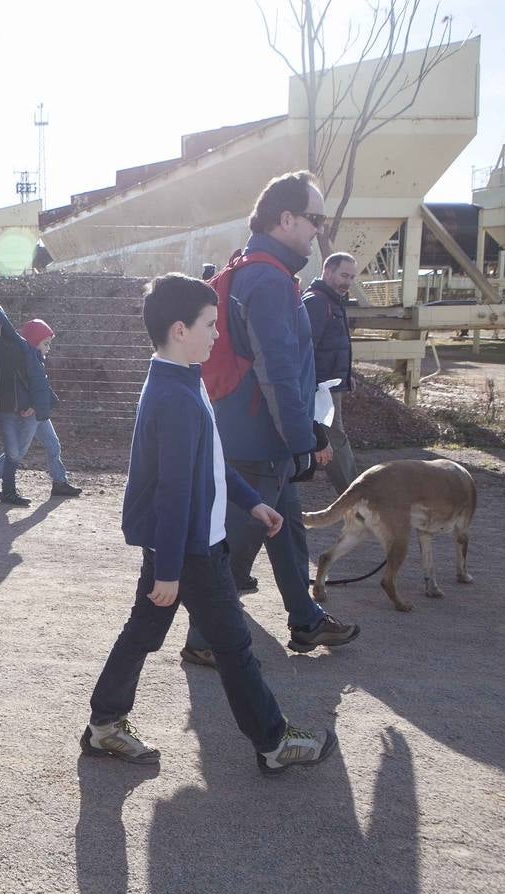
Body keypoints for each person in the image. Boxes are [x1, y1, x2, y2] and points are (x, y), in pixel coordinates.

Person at [82, 273, 338, 776]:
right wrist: (169, 570)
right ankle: (274, 742)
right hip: (192, 550)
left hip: (185, 545)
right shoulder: (175, 397)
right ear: (180, 330)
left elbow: (212, 461)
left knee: (144, 632)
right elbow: (173, 492)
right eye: (210, 324)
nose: (218, 334)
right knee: (234, 648)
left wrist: (252, 503)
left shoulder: (183, 379)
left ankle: (104, 725)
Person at [182, 171, 359, 667]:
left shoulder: (257, 269)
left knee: (288, 532)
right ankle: (203, 638)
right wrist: (306, 438)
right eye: (315, 218)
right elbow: (278, 371)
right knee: (238, 545)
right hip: (260, 441)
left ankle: (305, 619)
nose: (319, 229)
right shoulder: (268, 280)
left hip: (261, 435)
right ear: (286, 218)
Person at [0, 319, 82, 498]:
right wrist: (31, 405)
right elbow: (21, 386)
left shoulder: (36, 358)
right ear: (34, 342)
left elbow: (40, 386)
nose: (48, 348)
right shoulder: (26, 360)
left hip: (38, 410)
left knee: (52, 444)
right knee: (19, 450)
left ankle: (59, 482)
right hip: (30, 412)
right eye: (46, 344)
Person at [0, 302, 54, 507]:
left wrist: (34, 403)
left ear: (2, 323)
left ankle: (8, 492)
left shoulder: (17, 346)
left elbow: (36, 376)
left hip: (11, 410)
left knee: (14, 452)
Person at [303, 251, 358, 494]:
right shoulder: (317, 302)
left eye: (352, 277)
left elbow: (332, 345)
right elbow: (306, 349)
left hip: (329, 385)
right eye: (344, 275)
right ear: (327, 271)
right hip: (321, 388)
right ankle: (354, 497)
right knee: (336, 439)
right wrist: (314, 385)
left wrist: (347, 376)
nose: (348, 282)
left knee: (333, 438)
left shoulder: (332, 301)